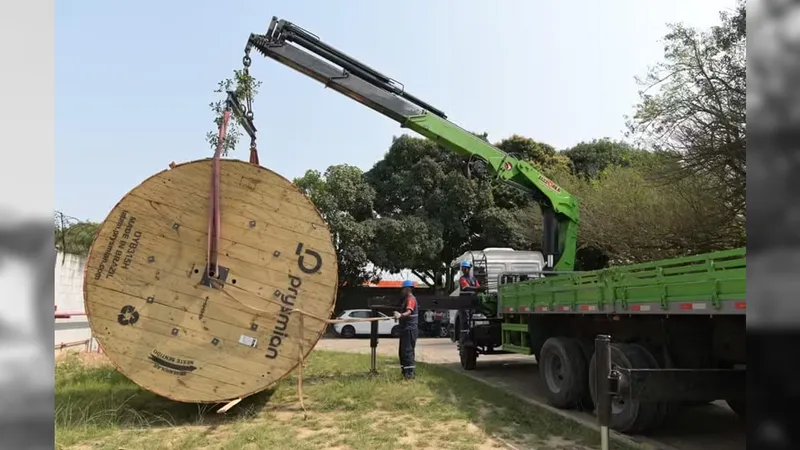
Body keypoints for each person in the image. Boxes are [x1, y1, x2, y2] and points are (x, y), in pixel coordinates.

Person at [393, 279, 419, 380]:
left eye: (403, 289)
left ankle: (410, 374)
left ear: (408, 289)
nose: (402, 291)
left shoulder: (411, 299)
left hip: (410, 329)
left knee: (407, 351)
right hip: (405, 329)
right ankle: (405, 373)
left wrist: (400, 315)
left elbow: (409, 312)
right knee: (403, 352)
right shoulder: (406, 299)